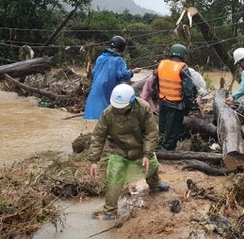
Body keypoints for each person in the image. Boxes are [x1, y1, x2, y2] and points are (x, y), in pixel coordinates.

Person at [85, 84, 169, 220]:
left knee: (151, 164)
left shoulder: (143, 108)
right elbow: (98, 136)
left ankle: (155, 184)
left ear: (131, 103)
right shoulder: (108, 113)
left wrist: (147, 153)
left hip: (140, 147)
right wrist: (94, 160)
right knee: (114, 177)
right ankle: (110, 211)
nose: (119, 109)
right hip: (119, 150)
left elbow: (151, 132)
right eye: (117, 107)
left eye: (122, 107)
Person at [152, 44, 199, 150]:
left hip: (162, 100)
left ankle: (160, 144)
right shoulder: (183, 68)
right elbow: (188, 90)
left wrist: (155, 96)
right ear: (183, 55)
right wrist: (193, 106)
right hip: (175, 103)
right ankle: (166, 150)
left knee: (163, 125)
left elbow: (155, 83)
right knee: (173, 129)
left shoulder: (162, 64)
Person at [83, 36, 141, 120]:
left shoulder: (100, 58)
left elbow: (93, 72)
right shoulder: (119, 60)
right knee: (107, 118)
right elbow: (122, 75)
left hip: (95, 91)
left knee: (93, 117)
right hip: (107, 92)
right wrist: (132, 72)